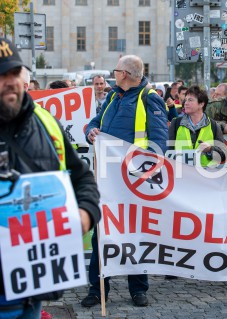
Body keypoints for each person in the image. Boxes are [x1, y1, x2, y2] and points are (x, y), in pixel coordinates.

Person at [0, 37, 100, 319]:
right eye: (0, 75)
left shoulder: (46, 123)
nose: (9, 81)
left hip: (32, 296)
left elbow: (82, 177)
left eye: (13, 72)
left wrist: (85, 214)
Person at [83, 54, 169, 308]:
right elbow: (95, 122)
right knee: (102, 232)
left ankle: (138, 288)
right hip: (108, 178)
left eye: (117, 70)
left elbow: (159, 141)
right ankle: (97, 289)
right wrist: (91, 130)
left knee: (135, 233)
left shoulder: (150, 99)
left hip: (134, 181)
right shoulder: (112, 96)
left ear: (127, 74)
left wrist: (146, 170)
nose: (114, 74)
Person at [168, 85, 225, 167]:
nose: (186, 103)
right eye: (186, 100)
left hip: (206, 175)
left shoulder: (214, 126)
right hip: (182, 175)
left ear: (201, 104)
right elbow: (169, 152)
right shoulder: (176, 123)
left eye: (190, 100)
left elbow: (223, 155)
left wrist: (210, 149)